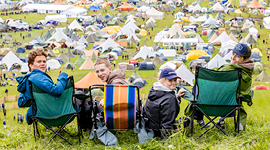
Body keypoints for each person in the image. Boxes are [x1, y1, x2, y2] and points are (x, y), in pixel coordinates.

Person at [16, 48, 68, 125]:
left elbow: (21, 102)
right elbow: (57, 90)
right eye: (39, 62)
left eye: (44, 61)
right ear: (31, 65)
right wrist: (62, 76)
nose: (43, 63)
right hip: (54, 112)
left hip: (41, 112)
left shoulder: (30, 78)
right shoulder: (37, 77)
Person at [143, 68, 189, 139]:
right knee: (186, 120)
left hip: (148, 127)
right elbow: (167, 120)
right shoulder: (170, 98)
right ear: (162, 81)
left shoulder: (153, 89)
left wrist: (177, 97)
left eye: (175, 80)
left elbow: (162, 104)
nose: (174, 83)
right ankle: (167, 134)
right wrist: (165, 140)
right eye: (170, 80)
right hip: (159, 130)